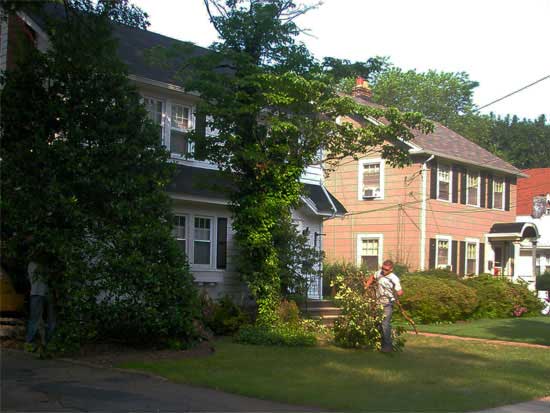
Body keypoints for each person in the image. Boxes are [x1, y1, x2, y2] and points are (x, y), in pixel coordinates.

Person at [364, 259, 403, 352]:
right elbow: (372, 277)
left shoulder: (394, 278)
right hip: (377, 303)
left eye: (386, 269)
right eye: (382, 268)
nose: (383, 271)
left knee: (385, 324)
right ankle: (377, 343)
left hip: (387, 304)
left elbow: (400, 292)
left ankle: (387, 346)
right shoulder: (379, 273)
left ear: (391, 270)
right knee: (376, 323)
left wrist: (397, 292)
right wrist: (366, 285)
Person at [24, 258, 56, 352]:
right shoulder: (33, 263)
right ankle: (29, 342)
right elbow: (44, 272)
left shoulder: (47, 264)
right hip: (36, 293)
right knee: (35, 320)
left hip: (47, 293)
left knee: (52, 319)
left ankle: (49, 342)